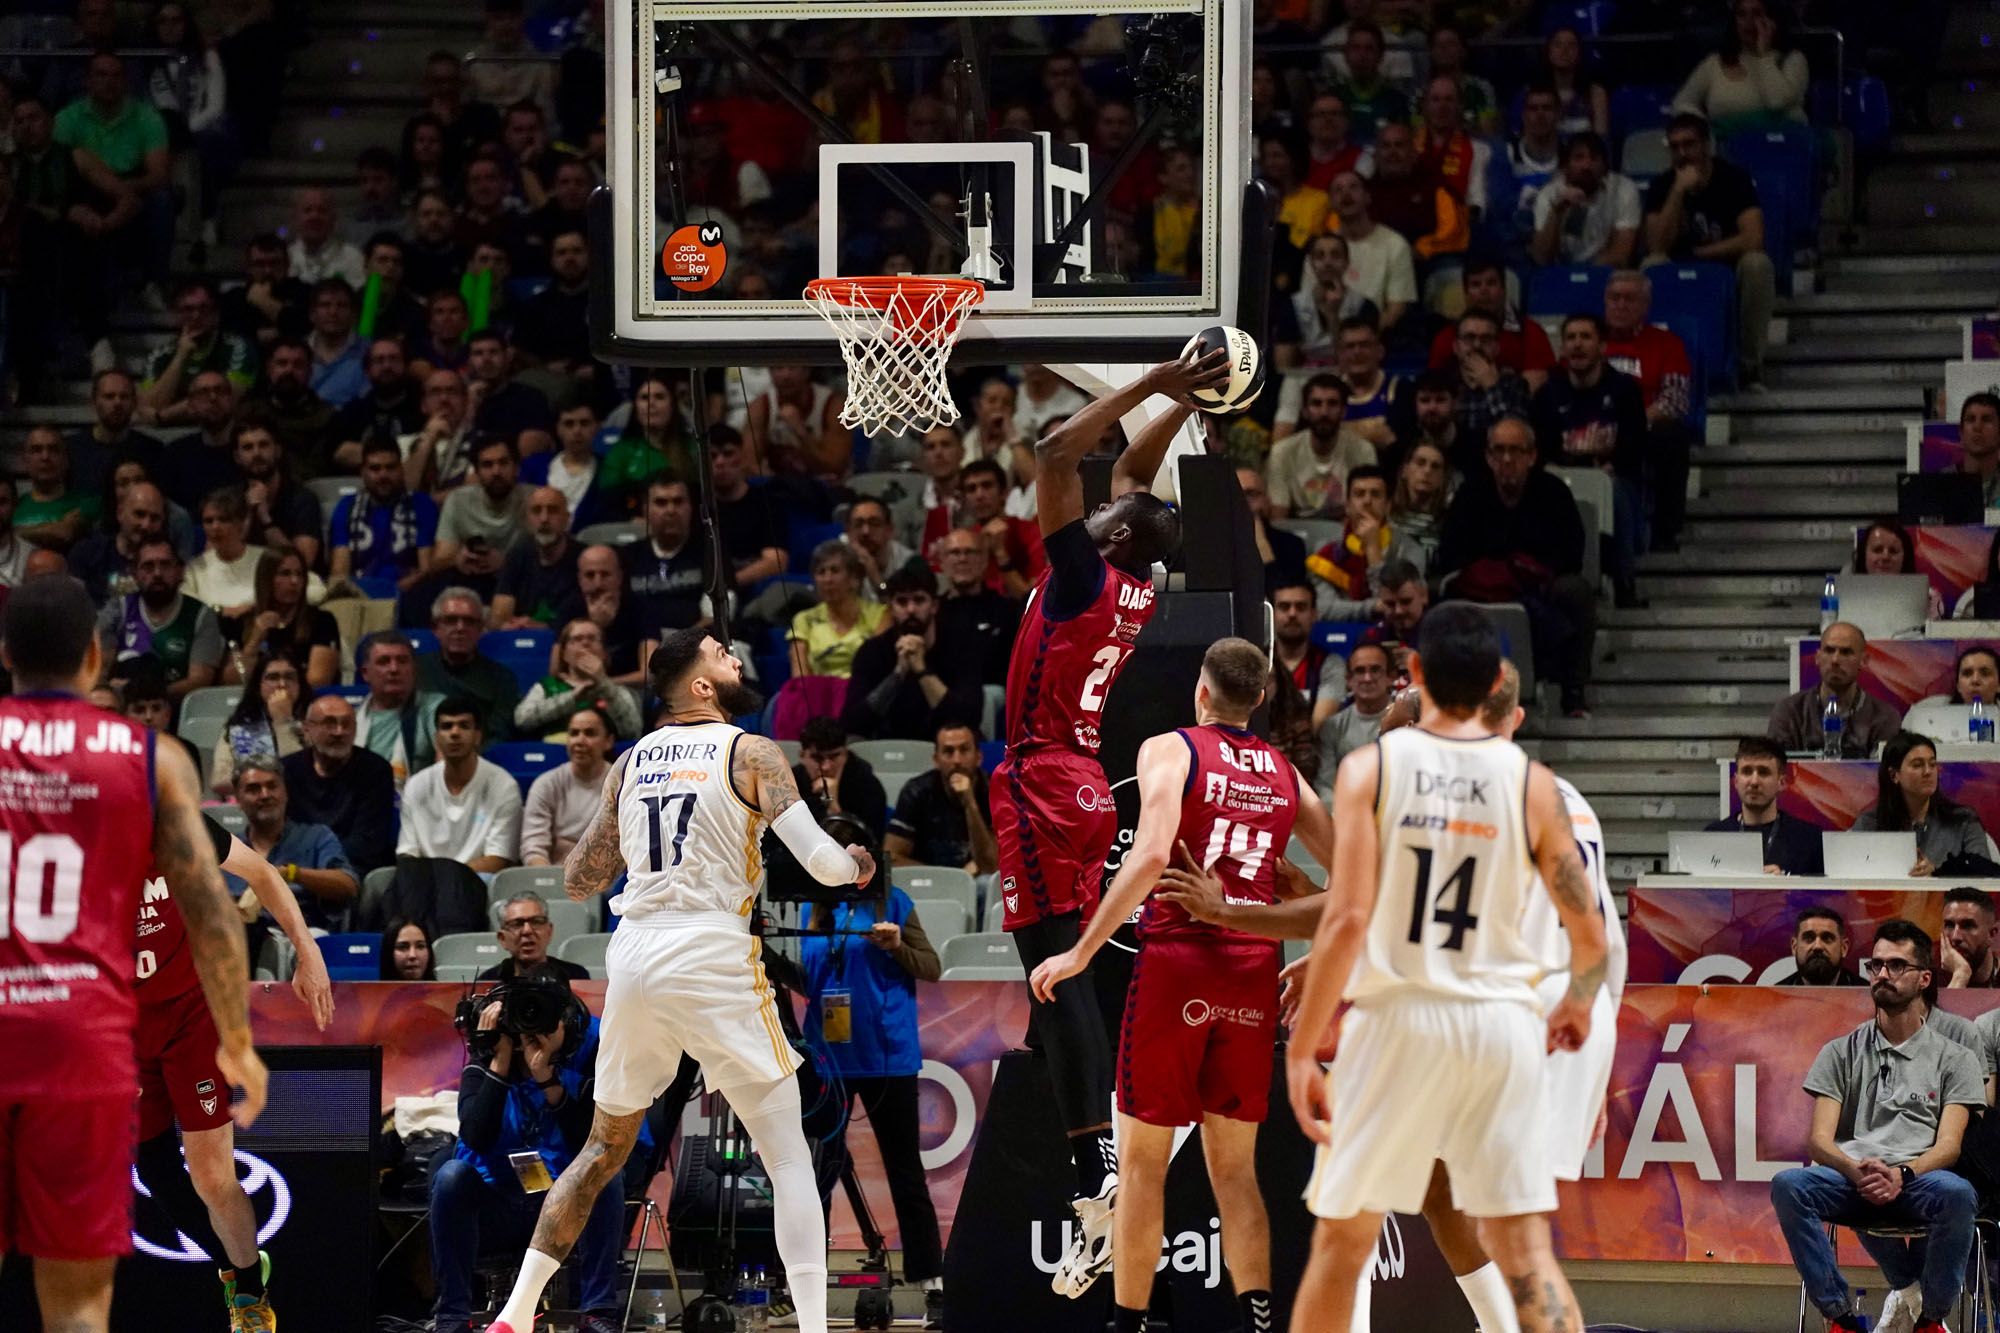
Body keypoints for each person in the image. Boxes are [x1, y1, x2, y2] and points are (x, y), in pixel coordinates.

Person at [483, 628, 874, 1333]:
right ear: (699, 685)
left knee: (603, 1150)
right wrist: (855, 863)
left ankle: (512, 1314)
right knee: (787, 1152)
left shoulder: (629, 762)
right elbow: (820, 866)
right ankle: (815, 1329)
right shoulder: (751, 749)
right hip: (711, 948)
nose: (735, 657)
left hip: (635, 955)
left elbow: (579, 881)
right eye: (722, 653)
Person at [1282, 602, 1609, 1333]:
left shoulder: (1373, 767)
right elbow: (1591, 938)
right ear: (1498, 680)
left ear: (1418, 674)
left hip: (1401, 1019)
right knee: (1526, 1252)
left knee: (1341, 1241)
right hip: (1501, 1024)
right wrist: (1577, 1003)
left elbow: (1347, 916)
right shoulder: (1533, 784)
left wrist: (1305, 1046)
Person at [994, 346, 1230, 1297]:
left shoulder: (1089, 574)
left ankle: (1103, 1174)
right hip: (1081, 785)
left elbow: (1055, 454)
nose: (1090, 504)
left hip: (1046, 783)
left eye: (1104, 514)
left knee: (1059, 982)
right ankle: (1098, 1150)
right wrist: (1179, 396)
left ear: (1115, 536)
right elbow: (1130, 473)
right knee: (1057, 991)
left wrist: (1143, 387)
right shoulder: (1125, 578)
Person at [1029, 638, 1333, 1333]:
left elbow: (1153, 854)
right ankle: (1256, 1322)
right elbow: (1360, 879)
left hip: (1178, 963)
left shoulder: (1171, 748)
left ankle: (1128, 1324)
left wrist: (1081, 949)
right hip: (1252, 970)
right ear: (1259, 699)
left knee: (1141, 1168)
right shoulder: (1286, 772)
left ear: (1200, 691)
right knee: (1236, 1172)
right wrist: (1315, 938)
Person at [0, 575, 264, 1333]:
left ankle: (246, 1283)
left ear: (7, 654)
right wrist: (240, 1042)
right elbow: (216, 914)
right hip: (81, 1035)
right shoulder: (145, 760)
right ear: (93, 657)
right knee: (76, 1297)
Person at [131, 797, 330, 1333]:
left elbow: (260, 872)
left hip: (190, 1011)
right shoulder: (53, 851)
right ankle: (234, 1266)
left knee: (213, 1174)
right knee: (152, 1169)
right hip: (118, 1023)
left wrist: (307, 951)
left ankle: (247, 1291)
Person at [1770, 918, 1981, 1333]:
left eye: (1896, 966)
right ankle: (1840, 1317)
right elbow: (1819, 1141)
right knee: (1789, 1184)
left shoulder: (1956, 1058)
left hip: (1919, 1179)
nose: (1882, 974)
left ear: (1924, 978)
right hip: (1855, 1178)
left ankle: (1931, 1320)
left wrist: (1901, 1174)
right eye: (1876, 965)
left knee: (1959, 1194)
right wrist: (1859, 1172)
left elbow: (1949, 1147)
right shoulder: (1840, 1050)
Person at [431, 980, 623, 1333]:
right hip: (496, 1212)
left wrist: (545, 1078)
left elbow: (589, 1145)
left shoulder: (575, 1079)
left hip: (559, 1213)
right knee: (450, 1175)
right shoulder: (480, 1074)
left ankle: (599, 1313)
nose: (525, 1031)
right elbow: (476, 1137)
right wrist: (499, 1064)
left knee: (605, 1174)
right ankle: (452, 1317)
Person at [799, 885, 948, 1326]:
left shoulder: (894, 902)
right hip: (828, 1061)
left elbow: (932, 967)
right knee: (814, 1176)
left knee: (905, 1174)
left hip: (889, 1059)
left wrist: (898, 944)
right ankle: (804, 1285)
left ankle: (932, 1287)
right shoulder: (811, 905)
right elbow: (810, 982)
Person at [1434, 417, 1597, 716]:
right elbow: (1451, 552)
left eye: (1516, 450)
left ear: (1532, 456)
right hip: (1481, 587)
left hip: (1540, 586)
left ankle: (1573, 691)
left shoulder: (1554, 492)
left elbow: (1571, 553)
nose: (1507, 459)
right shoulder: (1471, 494)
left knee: (1576, 591)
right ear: (1488, 456)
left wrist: (1525, 573)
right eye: (1499, 450)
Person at [1642, 113, 1777, 388]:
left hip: (1726, 265)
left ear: (1705, 145)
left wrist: (1700, 254)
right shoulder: (1662, 185)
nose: (1682, 153)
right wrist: (1678, 192)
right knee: (1651, 266)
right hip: (1677, 266)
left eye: (1689, 144)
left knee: (1757, 264)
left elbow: (1753, 238)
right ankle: (1657, 364)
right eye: (1675, 146)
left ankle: (1750, 365)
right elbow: (1657, 244)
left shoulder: (1734, 179)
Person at [1533, 312, 1650, 606]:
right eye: (1570, 338)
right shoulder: (1548, 393)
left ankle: (1624, 582)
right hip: (1562, 477)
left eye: (1585, 337)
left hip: (1614, 478)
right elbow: (1540, 450)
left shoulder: (1624, 390)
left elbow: (1634, 448)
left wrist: (1608, 469)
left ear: (1602, 347)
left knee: (1613, 489)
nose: (1577, 345)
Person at [841, 568, 985, 741]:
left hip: (946, 748)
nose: (911, 609)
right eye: (902, 602)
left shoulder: (962, 648)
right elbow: (852, 722)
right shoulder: (872, 651)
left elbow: (968, 720)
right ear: (891, 609)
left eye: (919, 600)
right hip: (887, 747)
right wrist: (898, 674)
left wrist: (922, 670)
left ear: (934, 606)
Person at [231, 757, 361, 931]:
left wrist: (291, 873)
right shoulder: (226, 850)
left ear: (285, 792)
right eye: (253, 789)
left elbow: (348, 886)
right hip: (241, 939)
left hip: (301, 936)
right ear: (238, 799)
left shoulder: (316, 837)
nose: (265, 795)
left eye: (272, 786)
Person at [397, 697, 524, 873]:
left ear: (478, 737)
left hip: (479, 880)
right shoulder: (416, 785)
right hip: (424, 882)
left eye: (464, 726)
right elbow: (408, 853)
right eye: (447, 726)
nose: (454, 733)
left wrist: (448, 878)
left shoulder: (503, 786)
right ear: (436, 739)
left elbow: (497, 859)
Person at [97, 537, 226, 698]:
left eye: (165, 565)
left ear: (180, 571)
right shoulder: (118, 609)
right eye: (148, 566)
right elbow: (100, 673)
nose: (157, 573)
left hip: (176, 711)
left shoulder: (201, 615)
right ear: (134, 573)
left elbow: (199, 681)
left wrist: (145, 693)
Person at [1853, 732, 1996, 877]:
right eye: (1917, 765)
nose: (1928, 771)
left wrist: (1938, 871)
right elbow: (1846, 867)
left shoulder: (1963, 820)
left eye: (1932, 764)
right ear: (1894, 775)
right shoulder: (1870, 823)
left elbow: (1985, 872)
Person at [284, 694, 399, 874]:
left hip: (352, 870)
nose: (339, 731)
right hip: (297, 867)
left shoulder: (375, 770)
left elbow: (367, 843)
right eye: (329, 723)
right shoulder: (287, 770)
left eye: (347, 724)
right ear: (307, 729)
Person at [1765, 621, 1904, 758]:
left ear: (1864, 660)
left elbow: (1886, 774)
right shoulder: (1789, 712)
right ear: (1818, 657)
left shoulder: (1885, 717)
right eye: (1829, 650)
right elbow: (1774, 770)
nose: (1835, 660)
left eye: (1846, 652)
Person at [1673, 0, 1810, 137]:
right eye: (1741, 14)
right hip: (1729, 151)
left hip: (1785, 150)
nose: (1748, 21)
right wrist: (1706, 128)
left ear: (1771, 20)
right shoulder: (1714, 63)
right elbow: (1682, 103)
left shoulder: (1793, 60)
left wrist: (1764, 55)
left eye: (1757, 13)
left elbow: (1776, 102)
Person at [884, 722, 999, 875]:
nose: (957, 760)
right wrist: (947, 878)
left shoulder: (995, 791)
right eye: (948, 752)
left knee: (986, 884)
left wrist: (970, 803)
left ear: (979, 757)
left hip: (978, 881)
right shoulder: (916, 792)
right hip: (928, 881)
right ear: (936, 759)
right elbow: (891, 857)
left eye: (964, 750)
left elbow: (991, 866)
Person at [1703, 735, 1826, 875]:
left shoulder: (1808, 840)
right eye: (1747, 771)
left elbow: (1826, 896)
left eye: (1763, 772)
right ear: (1736, 781)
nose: (1754, 781)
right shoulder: (1714, 836)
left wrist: (1786, 887)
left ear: (1782, 782)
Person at [329, 439, 440, 591]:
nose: (383, 475)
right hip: (358, 595)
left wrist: (389, 591)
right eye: (375, 469)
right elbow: (339, 571)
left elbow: (425, 570)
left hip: (408, 593)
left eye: (390, 468)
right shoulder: (347, 506)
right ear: (363, 472)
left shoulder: (421, 504)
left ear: (401, 469)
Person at [224, 548, 340, 689]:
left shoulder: (322, 621)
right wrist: (254, 642)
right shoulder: (243, 622)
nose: (294, 581)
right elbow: (232, 682)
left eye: (300, 574)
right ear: (266, 579)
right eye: (285, 574)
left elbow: (318, 681)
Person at [1267, 375, 1378, 520]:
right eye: (1316, 403)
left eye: (1332, 404)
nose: (1324, 412)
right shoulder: (1282, 452)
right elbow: (1278, 518)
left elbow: (1368, 512)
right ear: (1305, 411)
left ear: (1343, 411)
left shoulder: (1363, 451)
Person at [419, 586, 522, 742]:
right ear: (436, 628)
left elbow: (499, 734)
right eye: (451, 620)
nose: (460, 628)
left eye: (469, 622)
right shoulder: (415, 670)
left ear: (480, 629)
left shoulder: (502, 678)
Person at [515, 619, 644, 741]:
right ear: (564, 653)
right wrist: (572, 699)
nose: (585, 643)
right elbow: (522, 720)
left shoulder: (616, 690)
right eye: (577, 639)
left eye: (592, 639)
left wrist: (604, 684)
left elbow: (633, 731)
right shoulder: (546, 686)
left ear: (604, 653)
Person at [521, 707, 619, 866]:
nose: (580, 741)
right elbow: (534, 845)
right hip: (557, 876)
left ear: (608, 741)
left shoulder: (623, 783)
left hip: (610, 878)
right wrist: (545, 880)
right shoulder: (546, 784)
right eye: (574, 733)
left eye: (590, 733)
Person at [1529, 133, 1640, 269]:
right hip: (1561, 273)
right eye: (1578, 158)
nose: (1586, 166)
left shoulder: (1624, 189)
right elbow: (1541, 257)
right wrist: (1557, 212)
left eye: (1594, 158)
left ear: (1605, 167)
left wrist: (1585, 275)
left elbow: (1620, 254)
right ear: (1565, 166)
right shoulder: (1548, 195)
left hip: (1606, 273)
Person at [356, 630, 446, 785]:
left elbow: (447, 767)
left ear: (414, 669)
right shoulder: (351, 719)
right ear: (365, 673)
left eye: (402, 661)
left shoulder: (436, 708)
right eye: (384, 661)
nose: (394, 669)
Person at [210, 653, 306, 798]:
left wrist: (282, 722)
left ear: (300, 685)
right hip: (248, 804)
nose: (282, 684)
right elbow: (219, 781)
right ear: (258, 686)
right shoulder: (238, 726)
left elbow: (302, 779)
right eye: (273, 678)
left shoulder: (314, 723)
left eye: (290, 677)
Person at [789, 541, 887, 680]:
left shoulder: (879, 614)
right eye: (821, 572)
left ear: (854, 579)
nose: (827, 579)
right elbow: (800, 678)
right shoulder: (803, 620)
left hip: (865, 692)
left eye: (835, 571)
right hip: (819, 696)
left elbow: (881, 668)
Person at [489, 487, 583, 629]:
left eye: (552, 511)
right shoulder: (518, 553)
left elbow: (588, 620)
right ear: (527, 520)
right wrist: (508, 626)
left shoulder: (584, 559)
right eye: (537, 511)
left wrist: (543, 628)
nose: (544, 519)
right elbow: (499, 615)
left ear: (567, 519)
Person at [791, 719, 890, 840]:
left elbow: (870, 844)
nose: (826, 766)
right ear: (802, 756)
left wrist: (832, 806)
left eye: (834, 756)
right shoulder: (788, 784)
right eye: (817, 758)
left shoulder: (867, 785)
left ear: (846, 754)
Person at [1317, 641, 1395, 790]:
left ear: (1391, 677)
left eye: (1375, 670)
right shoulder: (1332, 727)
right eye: (1360, 671)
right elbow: (1326, 785)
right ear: (1348, 680)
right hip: (1344, 809)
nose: (1367, 678)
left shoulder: (1408, 722)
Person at [478, 892, 591, 984]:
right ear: (502, 938)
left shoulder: (575, 976)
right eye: (517, 924)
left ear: (549, 931)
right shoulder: (488, 981)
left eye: (536, 922)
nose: (527, 931)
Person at [1905, 645, 2000, 744]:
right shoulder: (1929, 709)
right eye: (1967, 673)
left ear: (1999, 685)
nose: (1975, 680)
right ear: (1958, 685)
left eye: (1985, 673)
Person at [1778, 907, 1862, 986]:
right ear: (1794, 947)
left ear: (1844, 948)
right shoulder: (1774, 996)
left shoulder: (1868, 995)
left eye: (1827, 938)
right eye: (1809, 938)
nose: (1817, 946)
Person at [1939, 885, 2000, 988]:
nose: (1955, 937)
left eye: (1967, 926)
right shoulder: (1928, 980)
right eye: (1949, 925)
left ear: (1992, 934)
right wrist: (1960, 975)